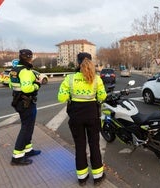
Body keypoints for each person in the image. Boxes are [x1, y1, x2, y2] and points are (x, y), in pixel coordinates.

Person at [57, 52, 107, 186]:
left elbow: (61, 98)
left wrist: (71, 95)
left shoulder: (70, 78)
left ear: (78, 63)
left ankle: (82, 178)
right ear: (91, 62)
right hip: (92, 115)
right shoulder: (97, 78)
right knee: (94, 145)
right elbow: (102, 97)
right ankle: (97, 177)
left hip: (76, 116)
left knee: (80, 146)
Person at [9, 49, 41, 166]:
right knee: (26, 128)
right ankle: (17, 157)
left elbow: (11, 84)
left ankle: (28, 150)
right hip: (27, 103)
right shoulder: (26, 71)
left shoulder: (14, 70)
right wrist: (37, 85)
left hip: (18, 101)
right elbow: (27, 88)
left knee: (28, 126)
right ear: (30, 58)